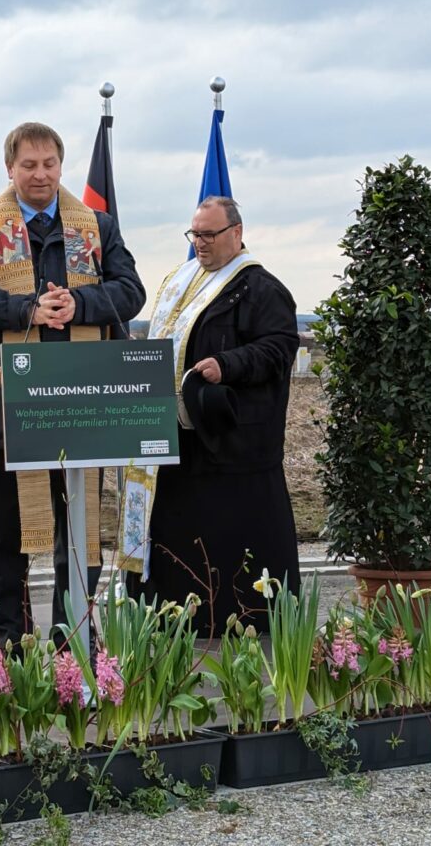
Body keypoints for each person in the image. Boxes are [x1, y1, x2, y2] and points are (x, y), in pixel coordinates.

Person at [0, 121, 145, 648]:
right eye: (28, 165)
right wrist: (26, 308)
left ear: (61, 165)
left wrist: (83, 303)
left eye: (49, 164)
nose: (40, 174)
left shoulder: (96, 225)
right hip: (9, 408)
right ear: (9, 169)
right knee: (0, 538)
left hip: (83, 404)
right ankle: (7, 641)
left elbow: (131, 291)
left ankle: (71, 635)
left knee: (77, 533)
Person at [122, 196, 300, 635]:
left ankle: (235, 619)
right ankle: (170, 612)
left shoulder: (262, 289)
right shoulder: (181, 280)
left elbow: (279, 348)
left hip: (232, 445)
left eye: (209, 235)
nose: (199, 243)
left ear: (236, 233)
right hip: (179, 438)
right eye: (195, 234)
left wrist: (228, 364)